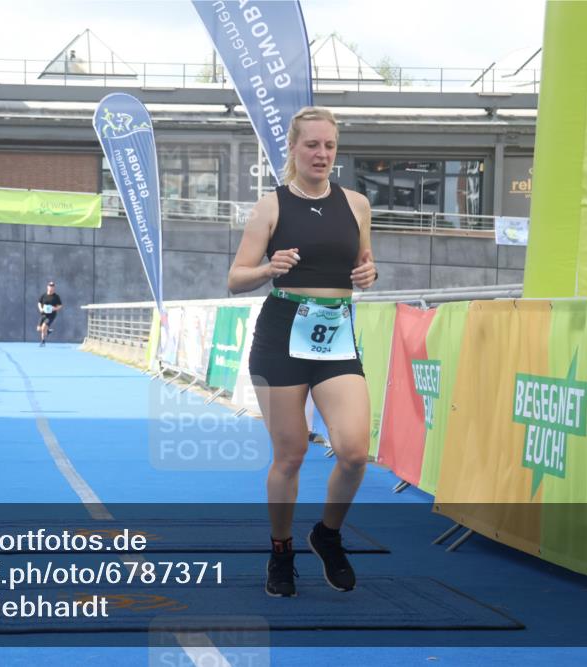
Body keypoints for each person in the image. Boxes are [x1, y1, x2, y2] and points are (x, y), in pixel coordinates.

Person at [227, 107, 377, 598]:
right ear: (293, 149)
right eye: (312, 144)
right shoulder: (270, 207)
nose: (321, 154)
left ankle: (327, 535)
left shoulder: (356, 204)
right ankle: (281, 552)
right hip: (281, 337)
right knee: (289, 455)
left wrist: (368, 275)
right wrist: (270, 267)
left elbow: (364, 264)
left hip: (334, 336)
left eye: (329, 146)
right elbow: (235, 280)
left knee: (355, 451)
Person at [37, 281, 62, 346]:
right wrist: (40, 309)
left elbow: (60, 306)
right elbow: (39, 303)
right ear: (47, 287)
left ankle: (43, 341)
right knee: (39, 329)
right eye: (50, 286)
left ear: (54, 288)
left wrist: (54, 308)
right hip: (43, 314)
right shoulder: (44, 295)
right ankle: (47, 331)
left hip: (51, 315)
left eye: (52, 286)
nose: (51, 288)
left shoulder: (56, 297)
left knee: (43, 327)